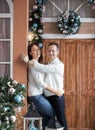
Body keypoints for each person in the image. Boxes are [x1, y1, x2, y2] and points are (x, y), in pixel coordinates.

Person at [20, 43, 63, 130]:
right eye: (34, 50)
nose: (37, 51)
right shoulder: (33, 65)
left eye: (38, 49)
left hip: (40, 95)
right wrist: (55, 91)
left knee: (45, 117)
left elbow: (45, 71)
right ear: (30, 53)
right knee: (52, 113)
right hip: (36, 95)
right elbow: (40, 83)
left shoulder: (38, 64)